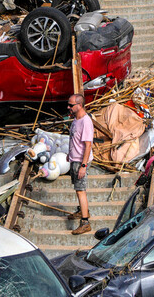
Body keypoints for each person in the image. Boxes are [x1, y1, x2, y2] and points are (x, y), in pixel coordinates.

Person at [67, 93, 94, 235]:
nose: (68, 107)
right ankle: (81, 211)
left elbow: (88, 145)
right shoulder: (75, 120)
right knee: (77, 189)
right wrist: (69, 154)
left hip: (80, 161)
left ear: (79, 105)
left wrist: (83, 166)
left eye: (71, 105)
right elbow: (74, 140)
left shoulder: (85, 121)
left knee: (80, 190)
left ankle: (85, 222)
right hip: (74, 159)